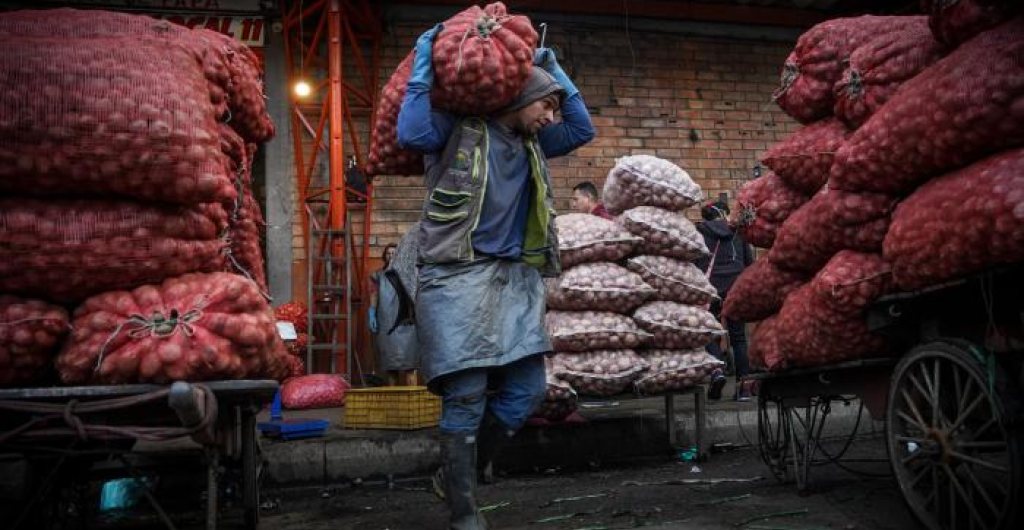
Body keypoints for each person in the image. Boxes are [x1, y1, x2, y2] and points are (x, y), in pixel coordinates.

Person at [396, 23, 595, 530]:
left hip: (514, 282)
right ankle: (463, 510)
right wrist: (422, 62)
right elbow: (411, 133)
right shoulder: (457, 131)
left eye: (552, 108)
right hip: (456, 279)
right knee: (465, 396)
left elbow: (581, 129)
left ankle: (455, 471)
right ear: (520, 98)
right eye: (545, 106)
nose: (552, 117)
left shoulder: (532, 144)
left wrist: (554, 73)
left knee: (525, 392)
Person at [695, 200, 755, 401]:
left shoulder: (700, 233)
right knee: (738, 338)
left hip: (711, 290)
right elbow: (749, 264)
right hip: (735, 290)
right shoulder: (739, 233)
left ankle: (717, 372)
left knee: (709, 334)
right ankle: (744, 388)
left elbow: (696, 264)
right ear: (725, 213)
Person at [369, 244, 417, 386]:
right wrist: (371, 313)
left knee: (410, 366)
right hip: (386, 323)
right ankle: (394, 403)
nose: (391, 256)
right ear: (384, 256)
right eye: (388, 253)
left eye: (394, 253)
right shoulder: (378, 275)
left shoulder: (408, 274)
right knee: (391, 368)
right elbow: (374, 294)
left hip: (406, 323)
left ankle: (412, 403)